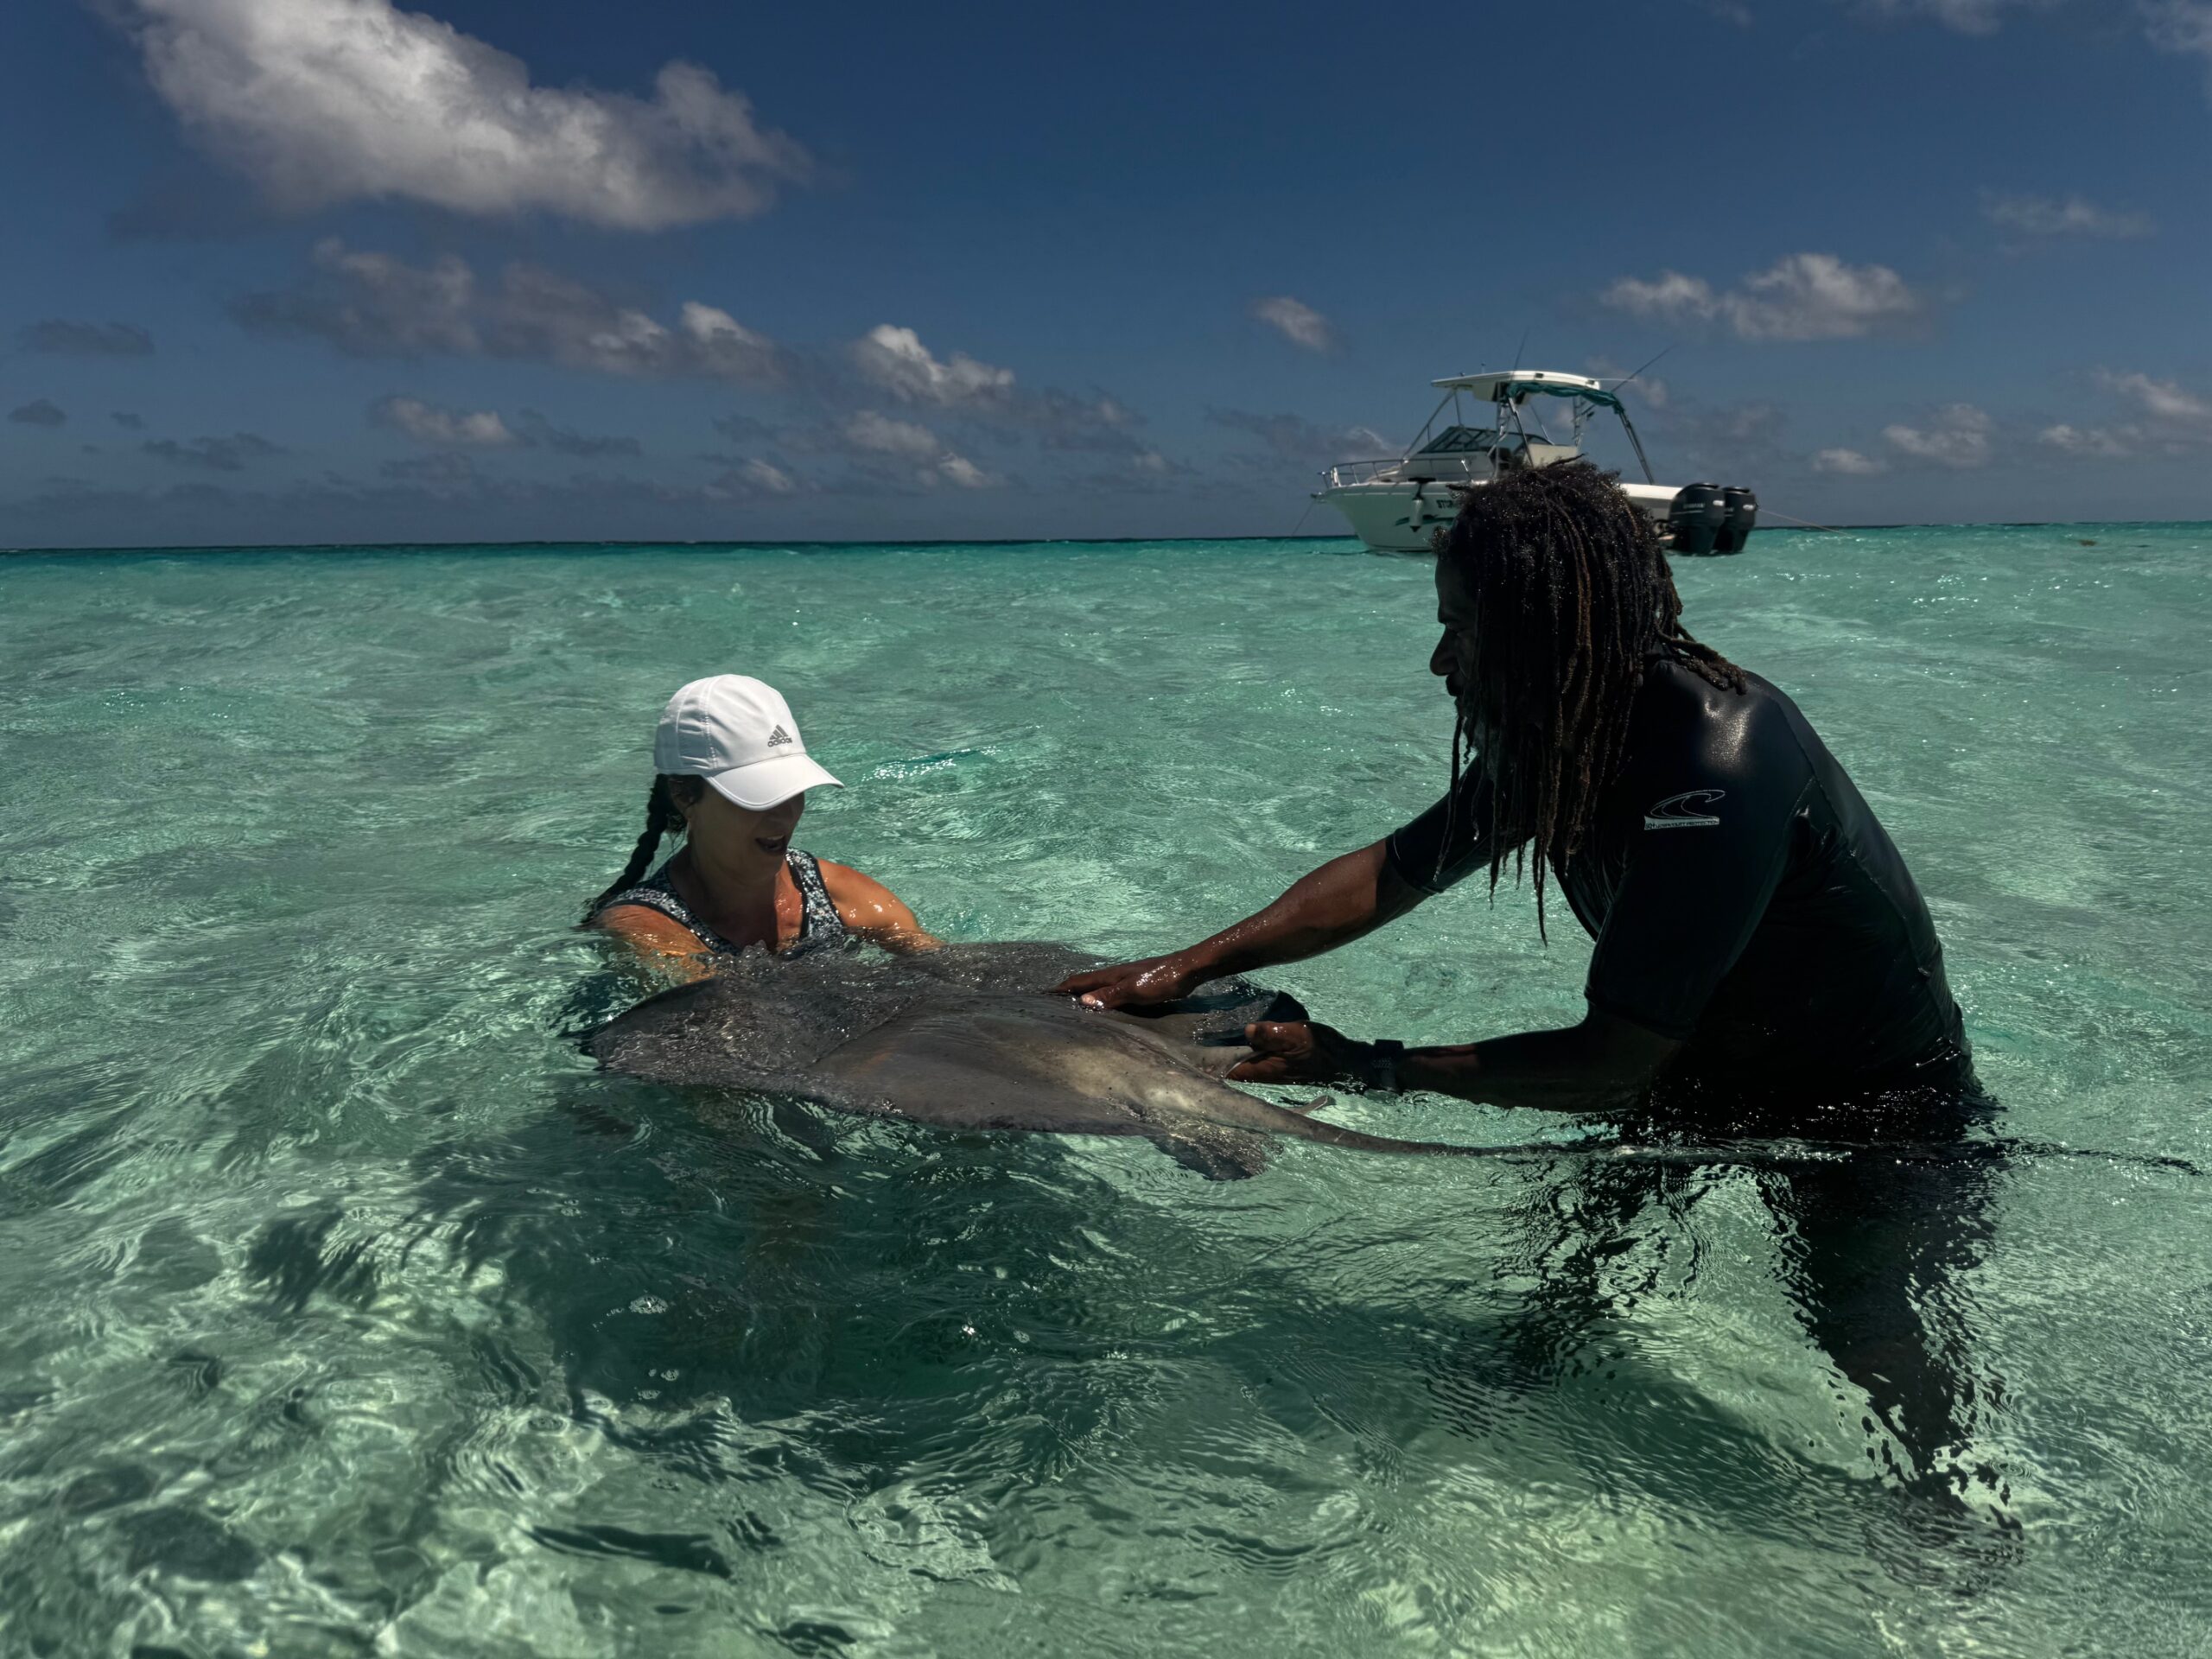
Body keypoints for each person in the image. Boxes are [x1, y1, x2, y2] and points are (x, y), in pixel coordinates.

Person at [1056, 461, 1999, 1503]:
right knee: (1581, 1247)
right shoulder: (1567, 730)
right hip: (1696, 1063)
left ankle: (1951, 1527)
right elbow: (1391, 873)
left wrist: (1365, 1064)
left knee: (1861, 1332)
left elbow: (1605, 1066)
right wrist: (1181, 967)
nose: (1438, 660)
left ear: (1549, 632)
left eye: (1462, 628)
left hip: (1869, 1105)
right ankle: (1523, 1399)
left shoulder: (1714, 763)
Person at [588, 675, 937, 969]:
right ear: (684, 796)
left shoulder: (839, 894)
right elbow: (728, 1028)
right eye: (758, 796)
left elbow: (956, 980)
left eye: (793, 790)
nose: (784, 814)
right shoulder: (643, 926)